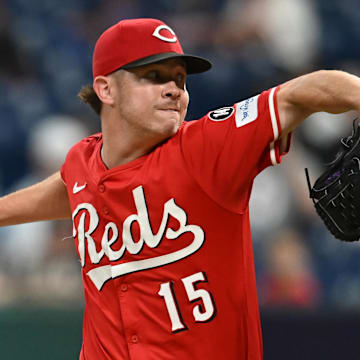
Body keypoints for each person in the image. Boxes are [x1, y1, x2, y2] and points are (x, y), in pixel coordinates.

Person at [1, 17, 360, 360]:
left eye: (180, 79)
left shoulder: (208, 147)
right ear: (106, 89)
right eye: (154, 76)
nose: (174, 89)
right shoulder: (83, 160)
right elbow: (73, 189)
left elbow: (302, 93)